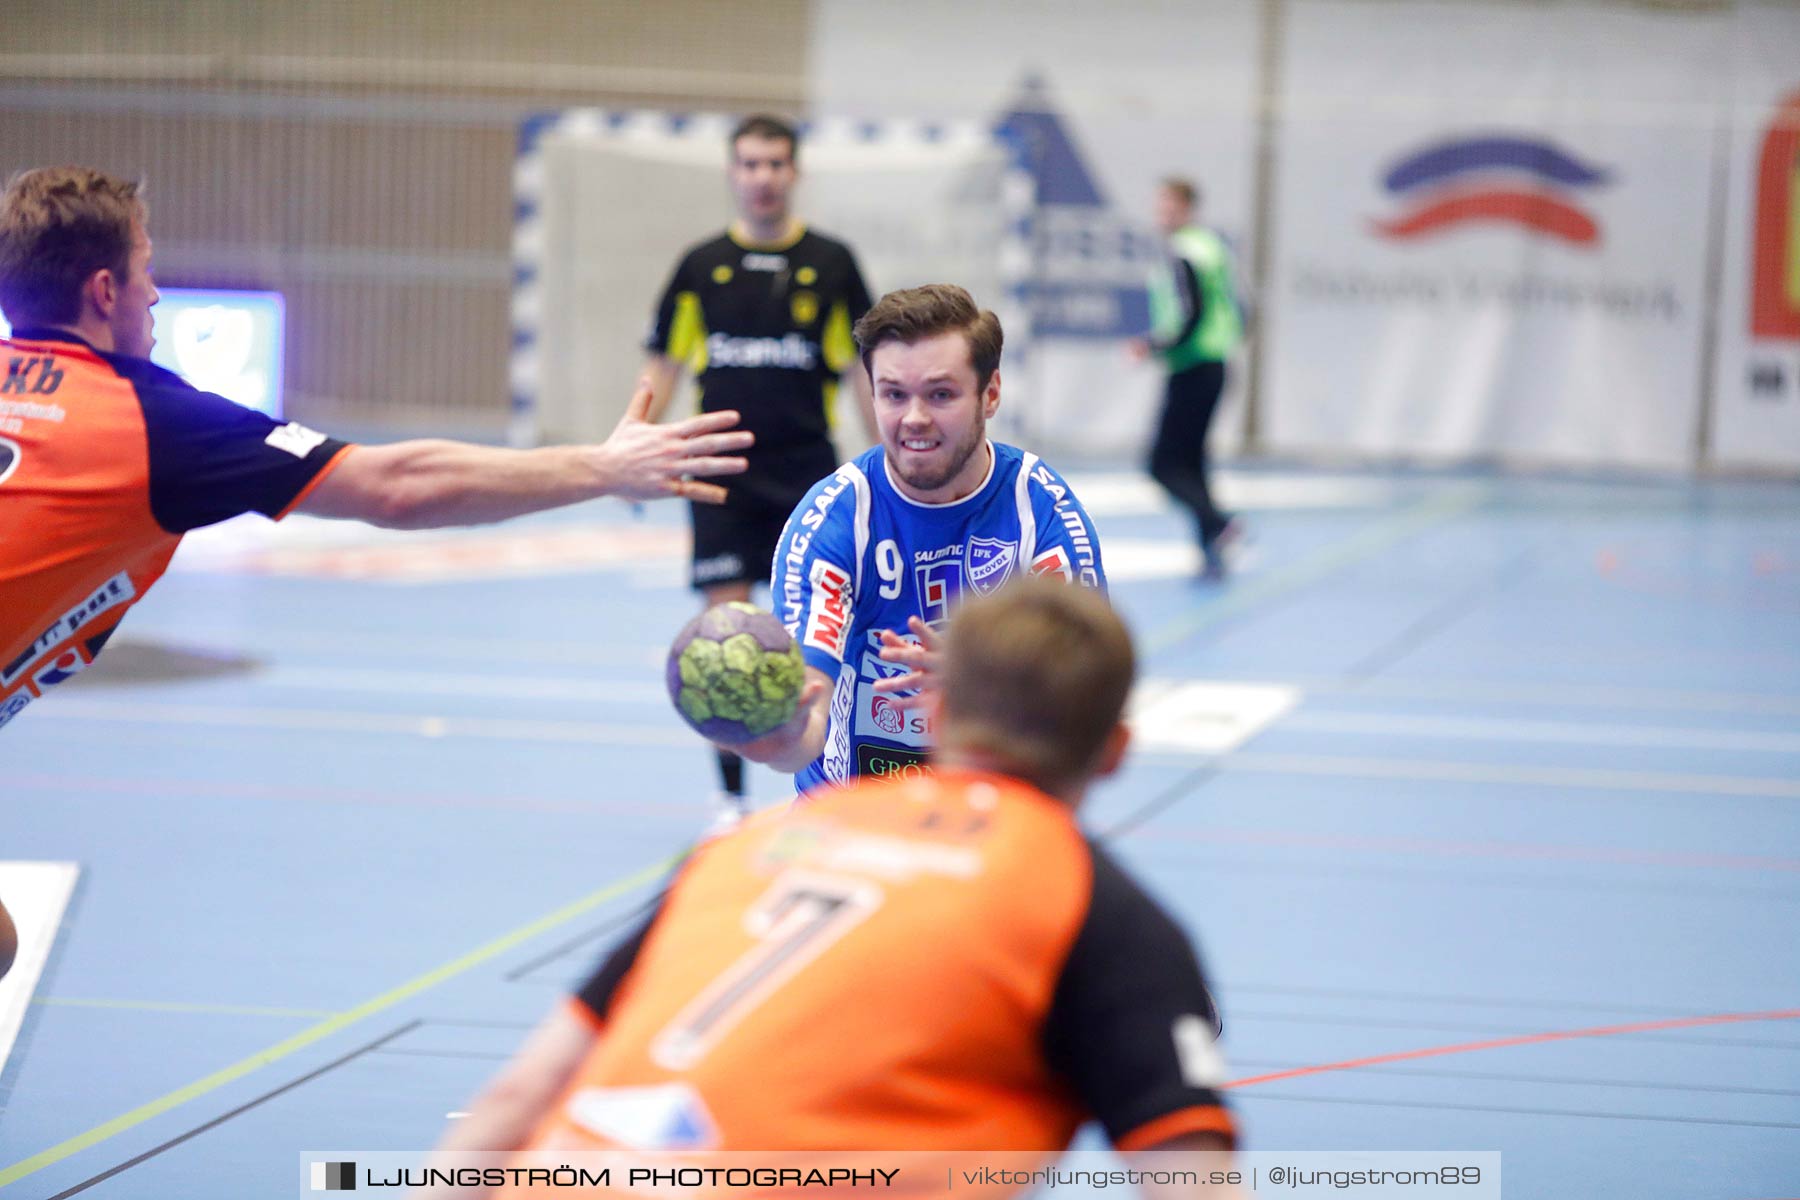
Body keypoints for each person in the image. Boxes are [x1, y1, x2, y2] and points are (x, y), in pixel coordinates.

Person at [429, 579, 1234, 1196]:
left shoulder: (748, 849)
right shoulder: (1096, 911)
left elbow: (519, 1093)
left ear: (939, 709)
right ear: (1117, 749)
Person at [0, 165, 752, 733]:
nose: (156, 294)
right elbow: (396, 484)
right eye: (146, 269)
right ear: (105, 291)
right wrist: (602, 466)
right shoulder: (150, 421)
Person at [742, 283, 1105, 797]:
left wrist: (983, 690)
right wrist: (772, 736)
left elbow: (1084, 698)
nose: (914, 418)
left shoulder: (1039, 511)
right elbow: (809, 715)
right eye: (893, 394)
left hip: (992, 818)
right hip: (857, 822)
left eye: (940, 394)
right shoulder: (834, 521)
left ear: (991, 392)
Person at [639, 114, 877, 820]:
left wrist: (886, 459)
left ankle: (830, 786)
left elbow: (864, 371)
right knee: (726, 638)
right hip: (719, 474)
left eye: (775, 163)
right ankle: (731, 801)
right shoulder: (700, 265)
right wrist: (635, 453)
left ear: (794, 172)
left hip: (807, 473)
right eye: (749, 164)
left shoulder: (833, 264)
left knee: (820, 636)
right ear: (732, 173)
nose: (763, 177)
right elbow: (664, 363)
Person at [1129, 177, 1244, 579]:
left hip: (1194, 364)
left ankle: (1218, 523)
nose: (1162, 215)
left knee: (1162, 465)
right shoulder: (1212, 247)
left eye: (1169, 207)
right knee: (1193, 463)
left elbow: (1189, 313)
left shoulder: (1184, 252)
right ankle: (1211, 547)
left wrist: (1154, 344)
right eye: (1160, 207)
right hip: (1213, 363)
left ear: (1187, 208)